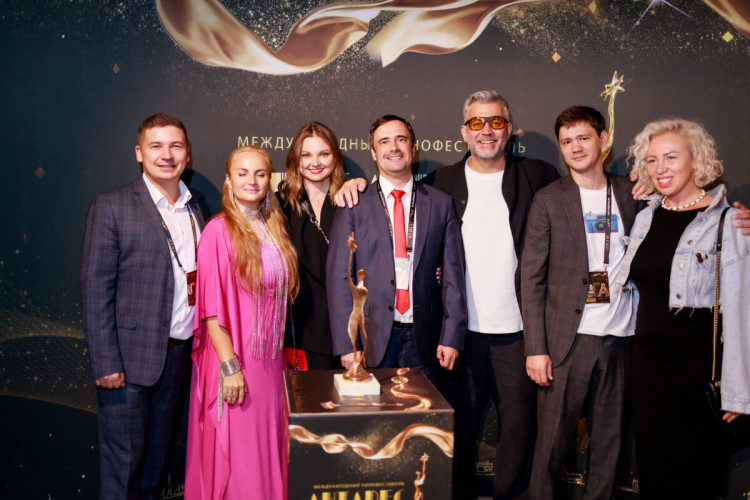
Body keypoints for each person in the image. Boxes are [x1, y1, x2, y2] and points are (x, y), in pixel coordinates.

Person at [334, 92, 560, 499]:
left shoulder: (536, 177)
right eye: (476, 123)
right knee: (445, 431)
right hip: (434, 336)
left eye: (495, 122)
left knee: (518, 431)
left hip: (505, 333)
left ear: (509, 129)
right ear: (463, 132)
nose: (486, 130)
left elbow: (450, 268)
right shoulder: (439, 183)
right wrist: (352, 183)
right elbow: (340, 278)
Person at [614, 119, 750, 498]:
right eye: (652, 160)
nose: (661, 168)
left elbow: (741, 314)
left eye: (671, 157)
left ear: (696, 161)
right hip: (647, 372)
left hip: (696, 376)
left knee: (693, 480)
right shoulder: (646, 217)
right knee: (654, 477)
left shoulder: (728, 223)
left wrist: (737, 391)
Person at [80, 113, 210, 499]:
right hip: (128, 363)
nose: (166, 155)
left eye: (175, 146)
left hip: (179, 359)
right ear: (139, 153)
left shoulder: (197, 205)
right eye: (156, 146)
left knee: (155, 470)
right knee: (123, 474)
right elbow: (95, 289)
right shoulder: (112, 205)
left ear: (187, 154)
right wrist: (106, 362)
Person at [521, 106, 641, 499]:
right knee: (551, 447)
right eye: (567, 141)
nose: (575, 147)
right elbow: (531, 279)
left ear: (603, 140)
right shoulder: (548, 200)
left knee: (609, 445)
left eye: (584, 138)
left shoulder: (633, 193)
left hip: (621, 339)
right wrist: (536, 349)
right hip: (566, 343)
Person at [185, 145, 299, 499]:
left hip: (270, 366)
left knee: (267, 451)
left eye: (260, 174)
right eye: (242, 173)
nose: (252, 180)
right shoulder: (218, 231)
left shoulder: (273, 227)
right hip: (235, 362)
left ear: (269, 180)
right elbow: (210, 309)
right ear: (228, 180)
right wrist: (230, 367)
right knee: (240, 458)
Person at [326, 114, 466, 385]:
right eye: (384, 141)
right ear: (373, 152)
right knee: (373, 413)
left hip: (426, 340)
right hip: (370, 339)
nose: (394, 147)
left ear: (413, 148)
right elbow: (340, 278)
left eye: (401, 139)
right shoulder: (354, 204)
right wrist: (347, 342)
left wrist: (451, 336)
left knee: (424, 412)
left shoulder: (440, 204)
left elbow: (453, 276)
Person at [278, 122, 347, 369]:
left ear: (335, 157)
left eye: (323, 154)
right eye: (306, 155)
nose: (315, 162)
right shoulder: (278, 206)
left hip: (346, 326)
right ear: (295, 160)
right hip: (301, 328)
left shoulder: (351, 200)